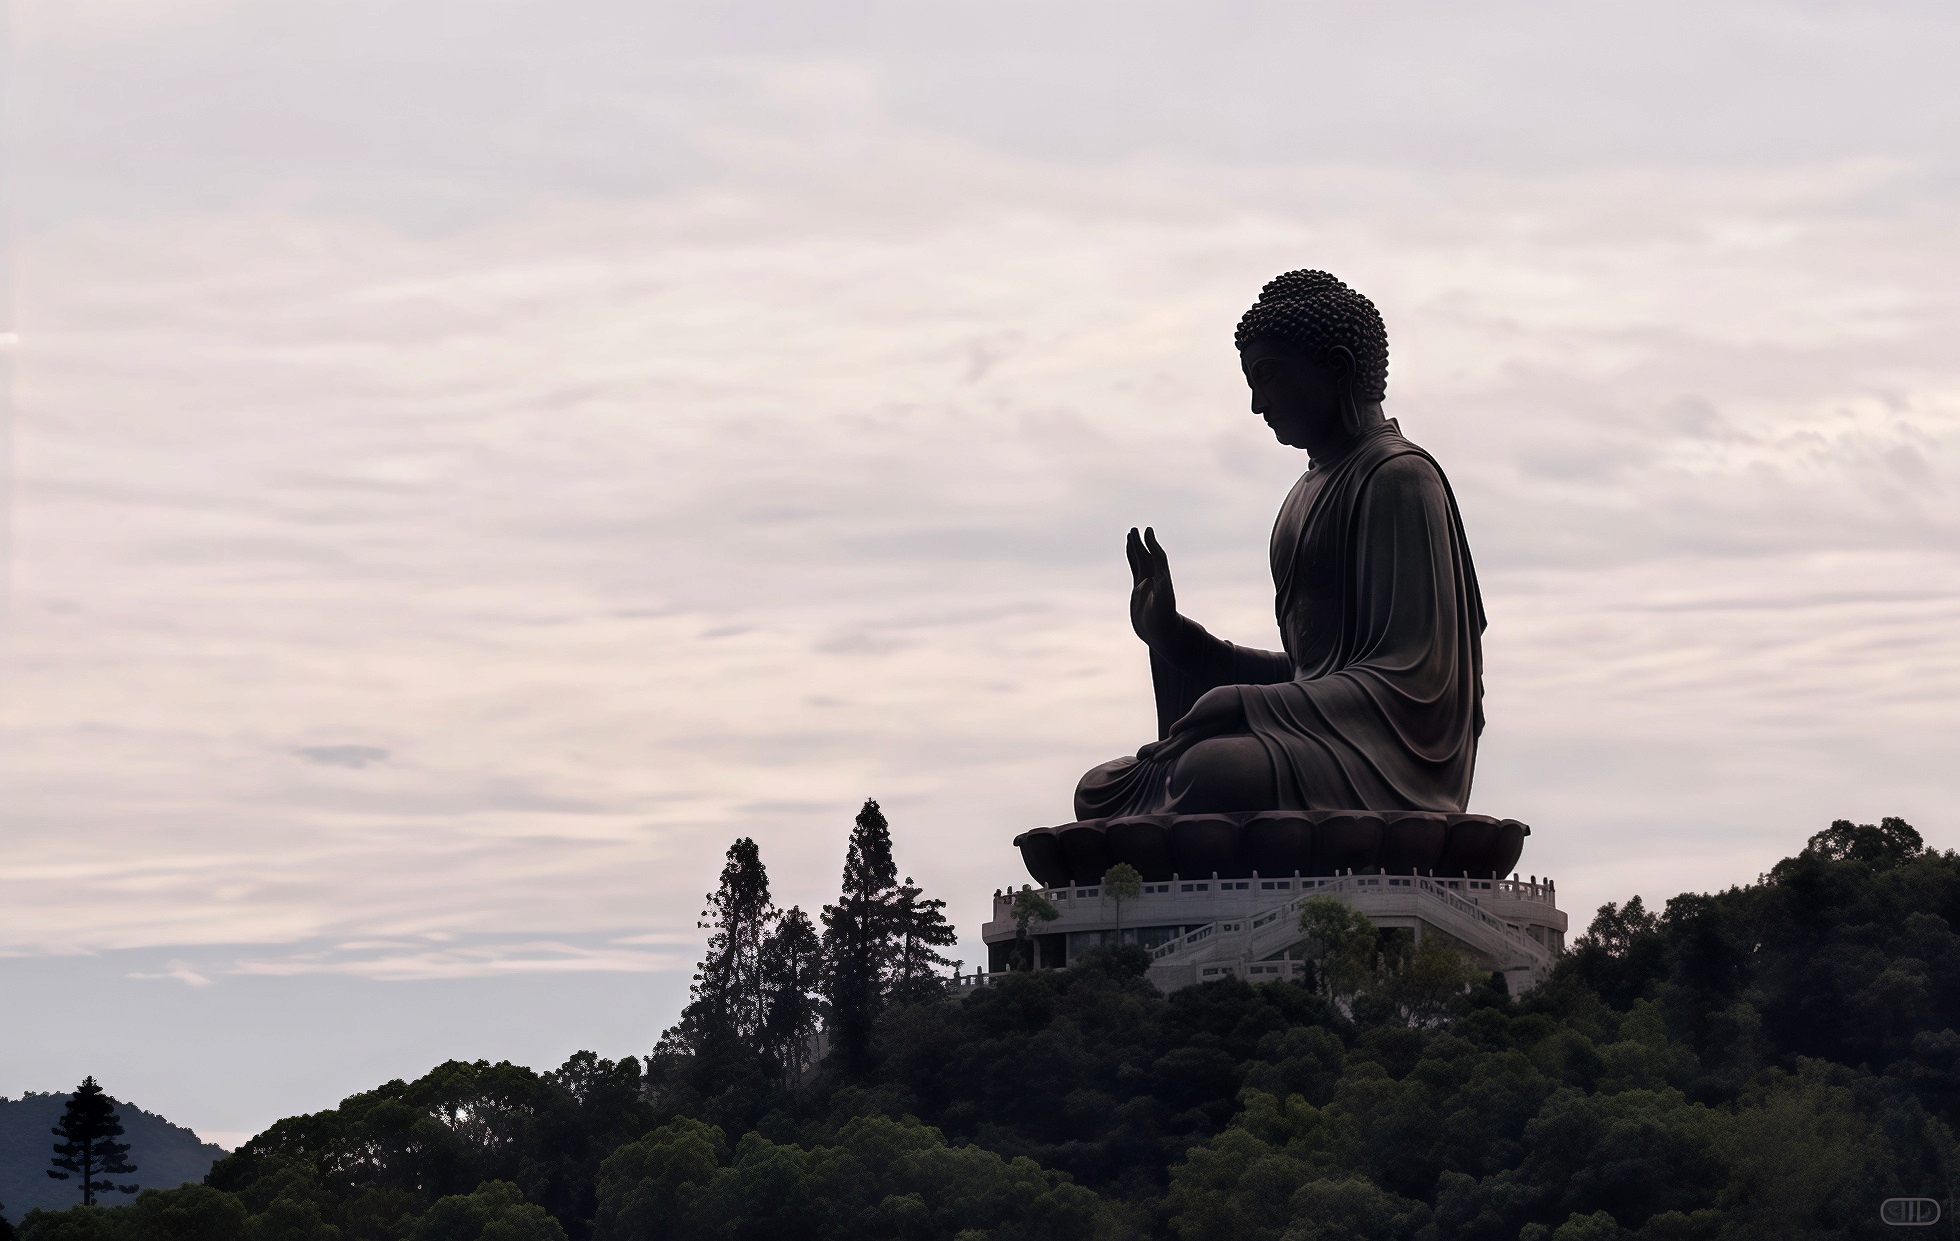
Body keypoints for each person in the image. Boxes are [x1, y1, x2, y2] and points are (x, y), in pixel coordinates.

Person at [1074, 270, 1486, 819]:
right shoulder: (1305, 493)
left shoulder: (1399, 478)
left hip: (1391, 764)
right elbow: (1307, 675)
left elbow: (1414, 682)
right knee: (1100, 788)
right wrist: (1178, 642)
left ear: (1337, 368)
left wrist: (1247, 704)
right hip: (1318, 745)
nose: (1255, 404)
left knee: (1210, 772)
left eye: (1267, 378)